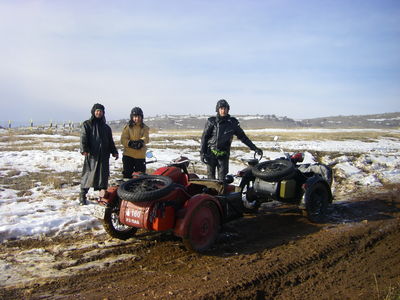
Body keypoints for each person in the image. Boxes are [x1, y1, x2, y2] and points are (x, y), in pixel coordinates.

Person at [200, 99, 263, 180]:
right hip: (210, 154)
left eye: (225, 108)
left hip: (223, 155)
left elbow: (243, 137)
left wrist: (255, 148)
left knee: (223, 180)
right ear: (217, 109)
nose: (223, 111)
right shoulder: (211, 121)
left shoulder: (232, 123)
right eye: (221, 108)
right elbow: (204, 137)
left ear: (228, 109)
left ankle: (222, 193)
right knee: (210, 179)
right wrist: (202, 153)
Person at [79, 103, 119, 205]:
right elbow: (83, 137)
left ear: (103, 113)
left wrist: (114, 151)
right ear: (93, 112)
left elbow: (110, 141)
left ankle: (102, 199)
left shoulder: (106, 128)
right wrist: (84, 149)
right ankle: (82, 196)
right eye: (97, 110)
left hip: (104, 155)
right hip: (92, 155)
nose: (99, 112)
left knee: (103, 178)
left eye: (100, 111)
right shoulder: (87, 124)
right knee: (88, 175)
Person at [120, 107, 150, 179]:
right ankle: (126, 190)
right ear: (132, 117)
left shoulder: (145, 127)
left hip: (140, 156)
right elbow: (123, 139)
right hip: (128, 155)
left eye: (139, 116)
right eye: (135, 116)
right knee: (127, 176)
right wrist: (130, 143)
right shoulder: (127, 127)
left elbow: (146, 138)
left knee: (140, 176)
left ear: (141, 117)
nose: (137, 118)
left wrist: (141, 141)